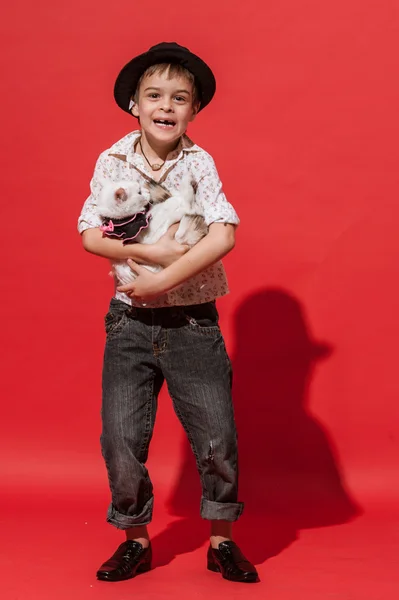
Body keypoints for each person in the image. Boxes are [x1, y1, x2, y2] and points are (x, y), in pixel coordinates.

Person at [78, 42, 259, 584]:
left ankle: (222, 541)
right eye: (154, 95)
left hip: (191, 321)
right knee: (120, 437)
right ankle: (134, 539)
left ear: (193, 110)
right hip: (128, 322)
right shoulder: (111, 159)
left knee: (216, 435)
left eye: (179, 98)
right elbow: (90, 234)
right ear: (134, 103)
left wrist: (165, 281)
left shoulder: (199, 163)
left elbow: (223, 232)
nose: (166, 105)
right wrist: (147, 255)